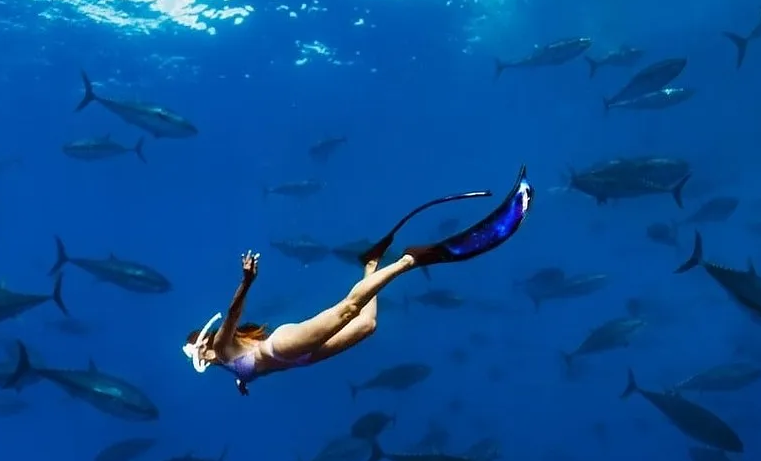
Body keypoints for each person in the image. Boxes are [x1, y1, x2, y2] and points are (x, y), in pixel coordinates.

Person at [183, 166, 533, 395]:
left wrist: (246, 281)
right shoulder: (228, 369)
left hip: (283, 346)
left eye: (196, 351)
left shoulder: (224, 346)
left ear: (204, 344)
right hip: (300, 360)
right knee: (367, 325)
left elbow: (230, 315)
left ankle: (411, 260)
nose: (198, 359)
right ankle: (372, 262)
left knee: (350, 309)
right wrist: (242, 383)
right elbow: (240, 372)